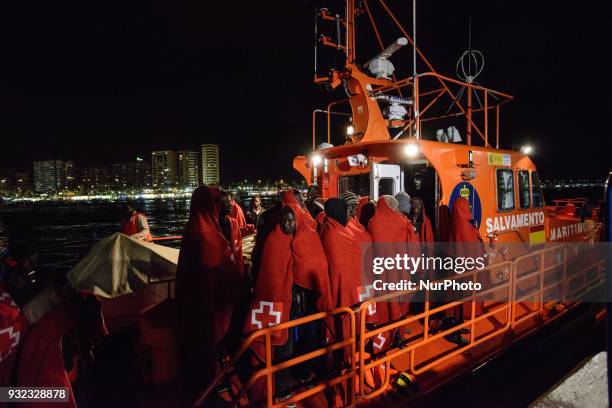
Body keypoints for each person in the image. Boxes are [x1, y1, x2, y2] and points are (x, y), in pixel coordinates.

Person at [245, 204, 330, 403]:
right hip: (282, 307)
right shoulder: (273, 241)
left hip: (304, 305)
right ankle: (282, 388)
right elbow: (269, 277)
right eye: (284, 219)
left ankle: (304, 373)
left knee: (307, 341)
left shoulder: (309, 238)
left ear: (298, 220)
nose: (287, 223)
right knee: (283, 346)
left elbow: (315, 269)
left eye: (292, 220)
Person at [175, 186, 247, 396]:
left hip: (197, 300)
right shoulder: (208, 234)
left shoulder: (193, 228)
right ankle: (215, 381)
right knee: (211, 341)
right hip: (212, 303)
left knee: (201, 341)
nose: (223, 206)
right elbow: (217, 270)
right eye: (217, 202)